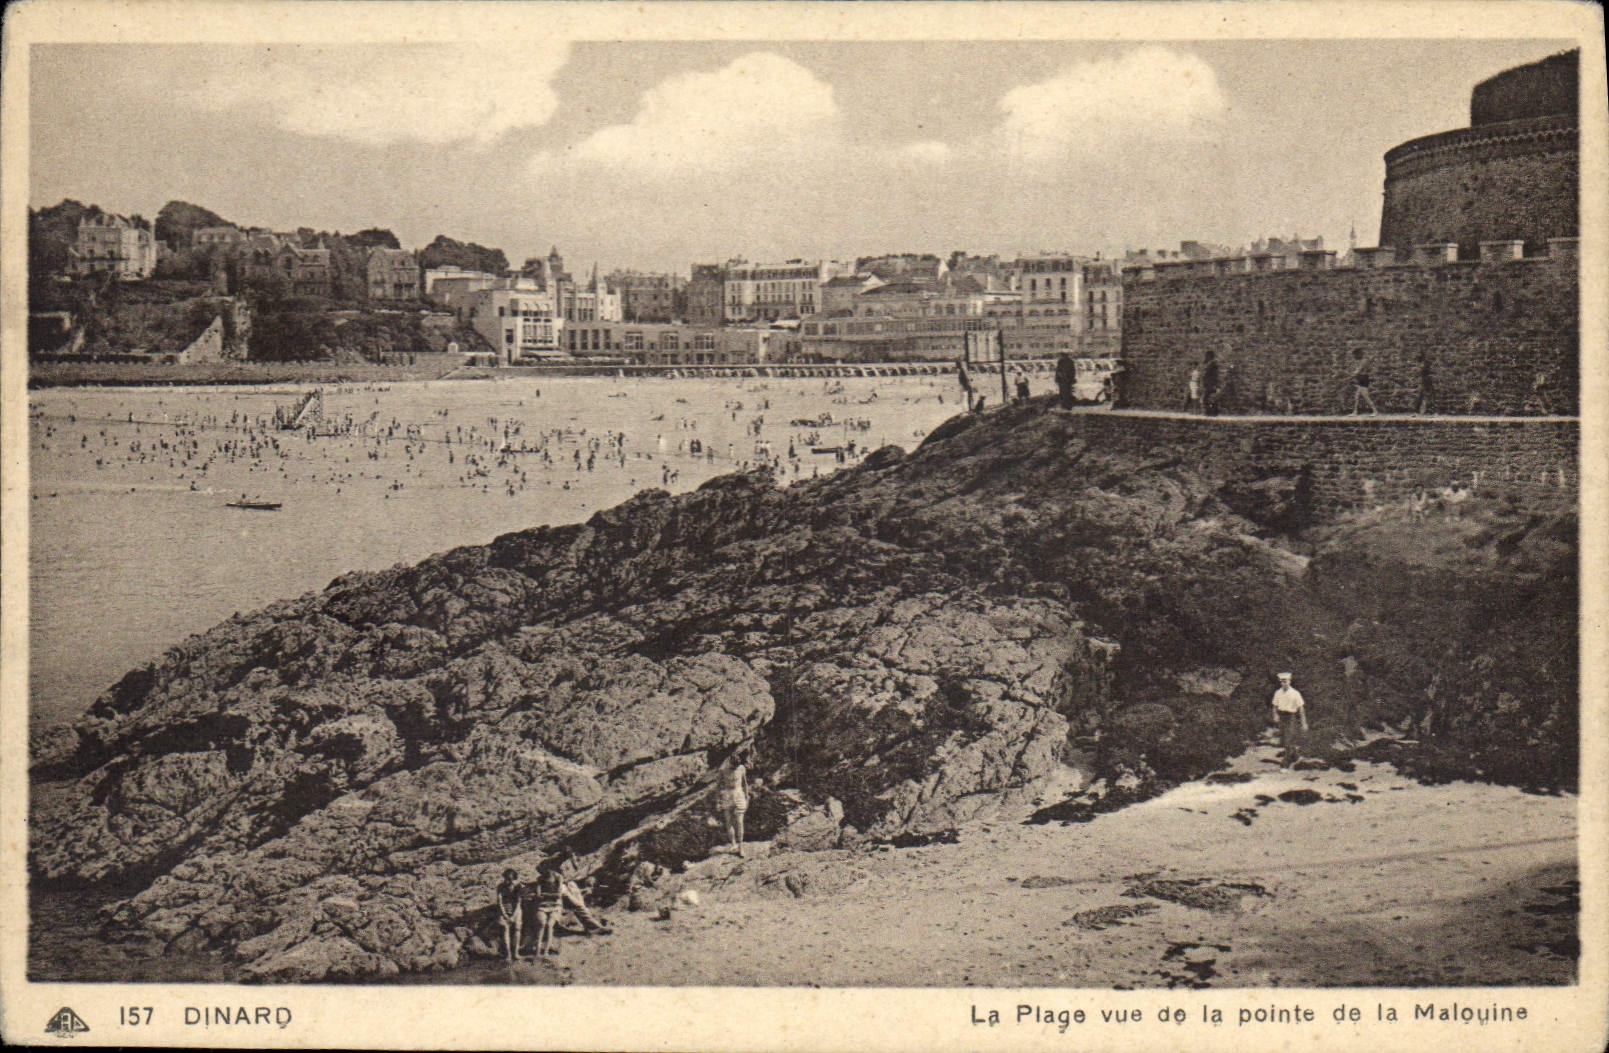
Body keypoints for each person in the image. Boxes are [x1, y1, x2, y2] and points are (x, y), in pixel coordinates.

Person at [716, 747, 751, 856]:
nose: (734, 768)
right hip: (727, 795)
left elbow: (745, 783)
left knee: (740, 822)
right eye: (733, 766)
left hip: (739, 793)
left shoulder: (741, 769)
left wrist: (747, 796)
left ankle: (741, 847)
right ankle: (733, 844)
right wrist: (718, 801)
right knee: (729, 821)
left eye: (736, 766)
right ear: (730, 762)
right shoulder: (722, 770)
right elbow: (717, 787)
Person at [1270, 672, 1309, 767]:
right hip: (1282, 717)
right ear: (1280, 682)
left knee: (1288, 739)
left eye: (1286, 681)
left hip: (1291, 717)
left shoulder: (1295, 693)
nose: (1284, 683)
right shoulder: (1278, 693)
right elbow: (1274, 706)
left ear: (1290, 681)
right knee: (1284, 739)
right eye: (1282, 681)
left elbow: (1301, 708)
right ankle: (1296, 756)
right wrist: (1275, 715)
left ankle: (1285, 763)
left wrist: (1304, 723)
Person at [532, 857, 565, 958]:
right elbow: (538, 895)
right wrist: (550, 895)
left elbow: (559, 895)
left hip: (556, 906)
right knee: (541, 924)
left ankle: (545, 951)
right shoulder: (540, 879)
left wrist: (545, 894)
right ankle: (538, 951)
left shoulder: (558, 877)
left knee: (550, 925)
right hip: (543, 906)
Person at [494, 868, 523, 961]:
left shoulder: (518, 887)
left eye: (510, 879)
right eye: (506, 878)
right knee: (504, 929)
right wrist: (505, 915)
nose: (508, 881)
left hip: (516, 910)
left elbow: (518, 902)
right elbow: (500, 902)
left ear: (514, 879)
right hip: (503, 910)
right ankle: (508, 954)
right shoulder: (500, 887)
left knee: (517, 929)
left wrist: (514, 916)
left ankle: (516, 953)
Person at [1201, 350, 1221, 417]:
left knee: (1208, 398)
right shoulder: (1212, 364)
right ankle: (1212, 412)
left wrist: (1215, 385)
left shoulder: (1212, 365)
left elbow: (1213, 375)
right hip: (1210, 384)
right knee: (1210, 398)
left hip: (1211, 384)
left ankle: (1211, 412)